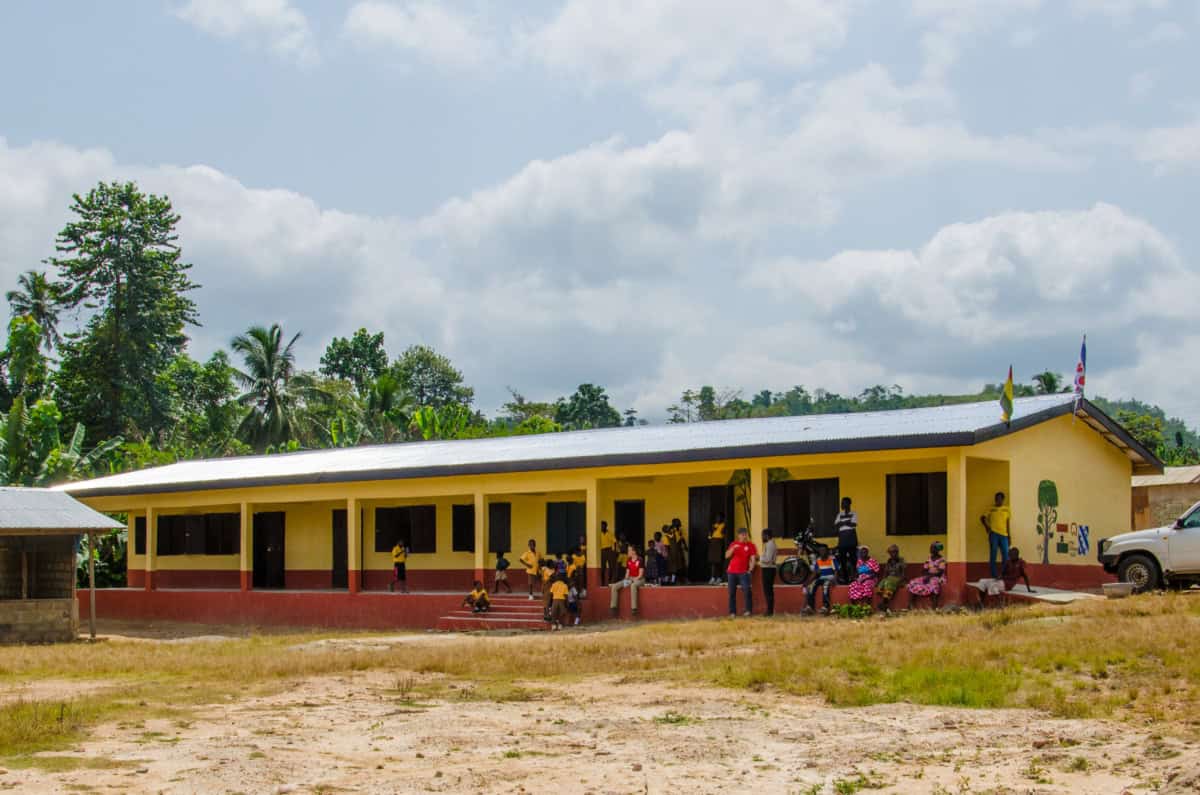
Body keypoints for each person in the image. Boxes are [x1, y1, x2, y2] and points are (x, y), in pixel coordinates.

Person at [725, 528, 757, 617]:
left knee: (747, 591)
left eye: (745, 534)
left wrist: (750, 570)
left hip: (743, 572)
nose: (744, 536)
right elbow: (727, 556)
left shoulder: (751, 545)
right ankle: (732, 612)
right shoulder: (733, 544)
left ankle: (748, 611)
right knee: (731, 593)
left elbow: (753, 559)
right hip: (731, 572)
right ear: (738, 535)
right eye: (742, 535)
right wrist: (733, 548)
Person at [907, 541, 947, 608]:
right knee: (913, 582)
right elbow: (924, 569)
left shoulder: (941, 560)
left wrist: (929, 576)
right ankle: (911, 603)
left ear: (937, 549)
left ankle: (934, 606)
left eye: (932, 548)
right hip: (928, 576)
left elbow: (940, 572)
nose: (930, 549)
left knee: (934, 584)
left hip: (938, 577)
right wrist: (926, 576)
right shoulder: (929, 558)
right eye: (931, 548)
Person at [980, 491, 1011, 579]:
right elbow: (982, 518)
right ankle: (994, 575)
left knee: (1006, 555)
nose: (998, 500)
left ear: (1003, 500)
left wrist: (1009, 536)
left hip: (1004, 535)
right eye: (997, 499)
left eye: (1000, 499)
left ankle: (1004, 574)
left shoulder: (1007, 509)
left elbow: (1007, 523)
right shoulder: (991, 509)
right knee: (993, 554)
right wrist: (987, 527)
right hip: (994, 534)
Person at [610, 546, 646, 617]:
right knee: (614, 586)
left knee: (633, 585)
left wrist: (633, 579)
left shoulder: (640, 560)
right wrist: (625, 580)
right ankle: (613, 607)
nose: (628, 552)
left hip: (640, 579)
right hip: (630, 579)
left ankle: (634, 608)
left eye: (629, 550)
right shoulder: (628, 560)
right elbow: (627, 573)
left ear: (634, 552)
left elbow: (640, 575)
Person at [805, 544, 838, 614]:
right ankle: (810, 607)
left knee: (825, 586)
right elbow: (815, 573)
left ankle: (825, 607)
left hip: (829, 578)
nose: (822, 552)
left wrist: (834, 579)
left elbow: (836, 571)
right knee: (811, 586)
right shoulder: (818, 560)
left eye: (823, 550)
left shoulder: (831, 559)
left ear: (827, 551)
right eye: (820, 551)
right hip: (821, 578)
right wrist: (808, 582)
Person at [833, 497, 858, 584]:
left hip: (851, 539)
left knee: (853, 560)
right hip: (842, 540)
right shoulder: (839, 514)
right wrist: (847, 522)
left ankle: (854, 578)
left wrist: (842, 523)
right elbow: (836, 525)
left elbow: (853, 524)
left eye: (844, 503)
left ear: (849, 504)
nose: (842, 504)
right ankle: (846, 579)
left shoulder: (854, 513)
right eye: (842, 503)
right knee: (842, 560)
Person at [875, 545, 906, 612]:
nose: (892, 554)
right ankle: (885, 603)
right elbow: (886, 572)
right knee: (881, 586)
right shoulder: (889, 561)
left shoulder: (901, 560)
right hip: (889, 578)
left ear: (897, 552)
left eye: (894, 552)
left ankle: (884, 603)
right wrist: (883, 580)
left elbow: (903, 573)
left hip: (898, 578)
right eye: (891, 552)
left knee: (889, 583)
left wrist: (901, 581)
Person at [759, 528, 778, 617]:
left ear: (766, 536)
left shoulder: (770, 544)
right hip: (769, 569)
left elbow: (768, 559)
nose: (762, 537)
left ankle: (769, 611)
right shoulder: (770, 544)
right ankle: (769, 610)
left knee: (768, 591)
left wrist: (759, 558)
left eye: (763, 535)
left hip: (768, 569)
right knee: (768, 590)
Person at [707, 513, 727, 585]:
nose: (718, 519)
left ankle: (719, 577)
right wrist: (711, 533)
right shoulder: (713, 525)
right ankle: (712, 577)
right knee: (713, 562)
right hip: (713, 543)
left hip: (719, 543)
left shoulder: (724, 525)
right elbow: (709, 535)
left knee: (719, 561)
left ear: (722, 519)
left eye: (719, 517)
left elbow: (724, 534)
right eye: (717, 517)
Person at [668, 518, 688, 585]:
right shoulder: (671, 530)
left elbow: (682, 538)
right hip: (674, 550)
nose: (679, 523)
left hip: (679, 549)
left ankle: (682, 579)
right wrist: (671, 526)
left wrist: (685, 545)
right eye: (678, 522)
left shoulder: (679, 531)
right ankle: (674, 580)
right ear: (674, 523)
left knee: (681, 565)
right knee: (675, 566)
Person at [599, 520, 617, 586]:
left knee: (611, 567)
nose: (602, 527)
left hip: (609, 550)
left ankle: (610, 582)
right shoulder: (599, 533)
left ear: (606, 526)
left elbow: (615, 542)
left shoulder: (610, 533)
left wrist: (614, 551)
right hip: (602, 551)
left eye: (603, 525)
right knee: (602, 568)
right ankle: (603, 583)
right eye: (601, 526)